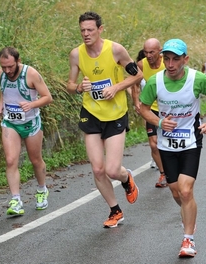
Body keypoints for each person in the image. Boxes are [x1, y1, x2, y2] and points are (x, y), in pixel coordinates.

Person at [138, 39, 206, 258]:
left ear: (185, 59)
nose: (170, 63)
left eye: (176, 59)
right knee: (176, 192)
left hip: (191, 141)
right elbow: (143, 108)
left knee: (186, 190)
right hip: (167, 143)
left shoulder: (198, 79)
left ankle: (188, 240)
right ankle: (188, 214)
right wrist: (158, 122)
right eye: (167, 58)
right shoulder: (155, 81)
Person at [66, 11, 142, 228]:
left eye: (90, 30)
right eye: (82, 30)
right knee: (97, 169)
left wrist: (116, 87)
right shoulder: (76, 55)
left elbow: (137, 75)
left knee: (111, 169)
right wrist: (80, 87)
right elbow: (70, 86)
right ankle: (115, 210)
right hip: (91, 113)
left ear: (100, 29)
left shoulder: (115, 50)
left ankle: (126, 178)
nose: (86, 34)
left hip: (116, 114)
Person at [0, 47, 53, 216]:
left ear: (18, 62)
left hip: (31, 122)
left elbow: (48, 97)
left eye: (10, 67)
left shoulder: (31, 74)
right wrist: (1, 104)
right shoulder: (0, 74)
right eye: (4, 67)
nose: (7, 71)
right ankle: (16, 200)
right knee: (11, 160)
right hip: (10, 122)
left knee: (35, 160)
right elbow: (3, 91)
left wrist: (31, 104)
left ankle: (42, 190)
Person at [135, 38, 168, 187]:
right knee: (154, 145)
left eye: (151, 52)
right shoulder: (141, 64)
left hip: (169, 108)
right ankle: (163, 174)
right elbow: (134, 85)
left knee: (170, 143)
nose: (148, 56)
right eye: (145, 52)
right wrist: (136, 102)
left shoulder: (167, 62)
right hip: (150, 109)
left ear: (159, 51)